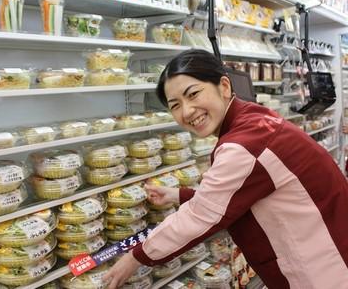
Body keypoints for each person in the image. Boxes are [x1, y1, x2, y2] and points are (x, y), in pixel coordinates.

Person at [103, 49, 348, 289]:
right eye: (175, 105)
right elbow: (239, 193)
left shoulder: (245, 143)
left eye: (193, 94)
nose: (187, 111)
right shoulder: (253, 121)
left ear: (224, 86)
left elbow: (200, 216)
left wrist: (136, 257)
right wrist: (179, 195)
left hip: (324, 269)